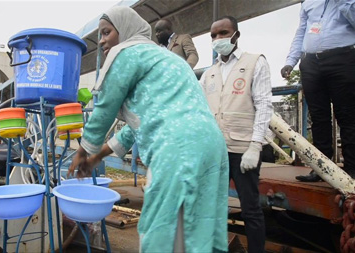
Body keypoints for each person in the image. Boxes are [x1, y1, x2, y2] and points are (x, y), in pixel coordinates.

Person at [68, 6, 229, 252]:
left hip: (175, 148)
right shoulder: (166, 60)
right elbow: (140, 125)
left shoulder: (128, 53)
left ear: (126, 31)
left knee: (159, 229)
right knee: (199, 227)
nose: (101, 41)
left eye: (106, 32)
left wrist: (83, 149)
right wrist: (98, 155)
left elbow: (105, 106)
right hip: (212, 145)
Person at [199, 16, 273, 253]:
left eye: (223, 33)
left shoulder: (255, 62)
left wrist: (255, 146)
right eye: (213, 35)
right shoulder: (209, 73)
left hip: (243, 150)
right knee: (215, 208)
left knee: (250, 209)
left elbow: (263, 106)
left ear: (235, 35)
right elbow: (200, 111)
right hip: (215, 151)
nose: (217, 39)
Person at [281, 0, 355, 182]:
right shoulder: (308, 2)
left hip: (343, 58)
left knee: (347, 116)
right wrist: (291, 60)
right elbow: (301, 31)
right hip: (311, 62)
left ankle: (352, 170)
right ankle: (322, 169)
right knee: (318, 117)